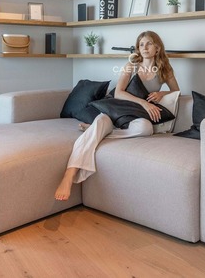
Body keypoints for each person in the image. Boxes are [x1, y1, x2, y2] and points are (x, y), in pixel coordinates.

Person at [55, 30, 179, 201]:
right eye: (141, 44)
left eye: (149, 43)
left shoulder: (165, 70)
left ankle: (97, 131)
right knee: (101, 123)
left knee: (146, 128)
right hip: (115, 109)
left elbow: (176, 91)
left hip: (134, 116)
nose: (144, 47)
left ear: (157, 48)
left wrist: (162, 93)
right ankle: (69, 175)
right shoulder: (131, 65)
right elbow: (119, 93)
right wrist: (144, 103)